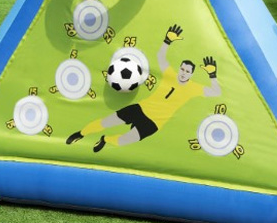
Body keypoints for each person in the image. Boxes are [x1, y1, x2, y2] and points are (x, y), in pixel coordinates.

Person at [66, 24, 220, 151]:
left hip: (154, 123)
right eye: (182, 69)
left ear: (191, 74)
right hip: (140, 109)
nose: (183, 73)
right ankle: (81, 133)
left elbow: (216, 91)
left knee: (123, 141)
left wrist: (212, 75)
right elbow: (161, 57)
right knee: (107, 122)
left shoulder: (193, 88)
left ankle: (105, 139)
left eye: (187, 71)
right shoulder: (170, 74)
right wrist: (167, 41)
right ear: (179, 68)